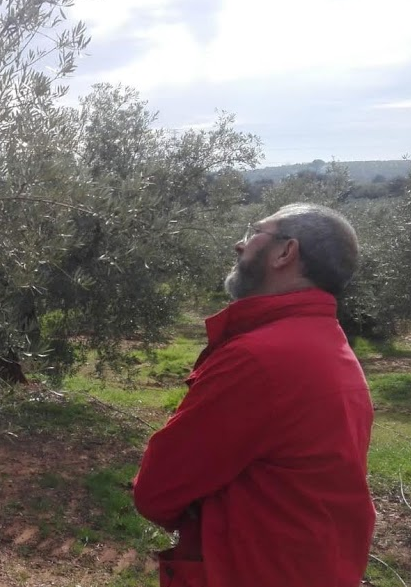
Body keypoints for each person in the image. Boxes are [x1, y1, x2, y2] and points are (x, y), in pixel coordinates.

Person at [133, 203, 375, 587]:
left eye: (254, 232)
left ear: (285, 252)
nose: (239, 243)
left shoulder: (259, 359)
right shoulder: (325, 342)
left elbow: (157, 490)